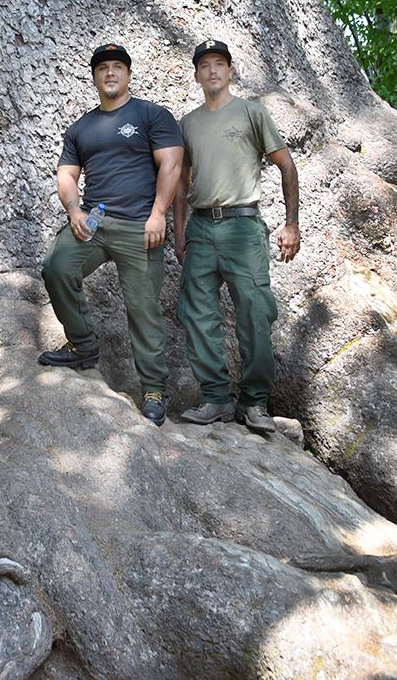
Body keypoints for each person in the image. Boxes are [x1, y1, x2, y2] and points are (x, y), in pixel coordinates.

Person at [39, 44, 184, 426]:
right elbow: (67, 175)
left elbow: (171, 163)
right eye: (103, 68)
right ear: (94, 76)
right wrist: (74, 211)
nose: (110, 74)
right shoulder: (81, 128)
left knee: (143, 309)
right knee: (56, 267)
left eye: (117, 67)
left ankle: (154, 389)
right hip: (96, 222)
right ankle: (83, 345)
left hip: (141, 224)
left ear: (128, 74)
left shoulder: (151, 115)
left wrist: (158, 215)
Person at [173, 40, 300, 433]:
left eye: (220, 64)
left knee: (255, 312)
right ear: (196, 75)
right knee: (196, 312)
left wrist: (291, 223)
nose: (212, 71)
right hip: (200, 225)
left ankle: (255, 402)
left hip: (244, 226)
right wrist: (179, 233)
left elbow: (286, 165)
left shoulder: (252, 112)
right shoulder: (188, 123)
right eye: (205, 65)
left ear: (230, 71)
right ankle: (215, 398)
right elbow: (180, 181)